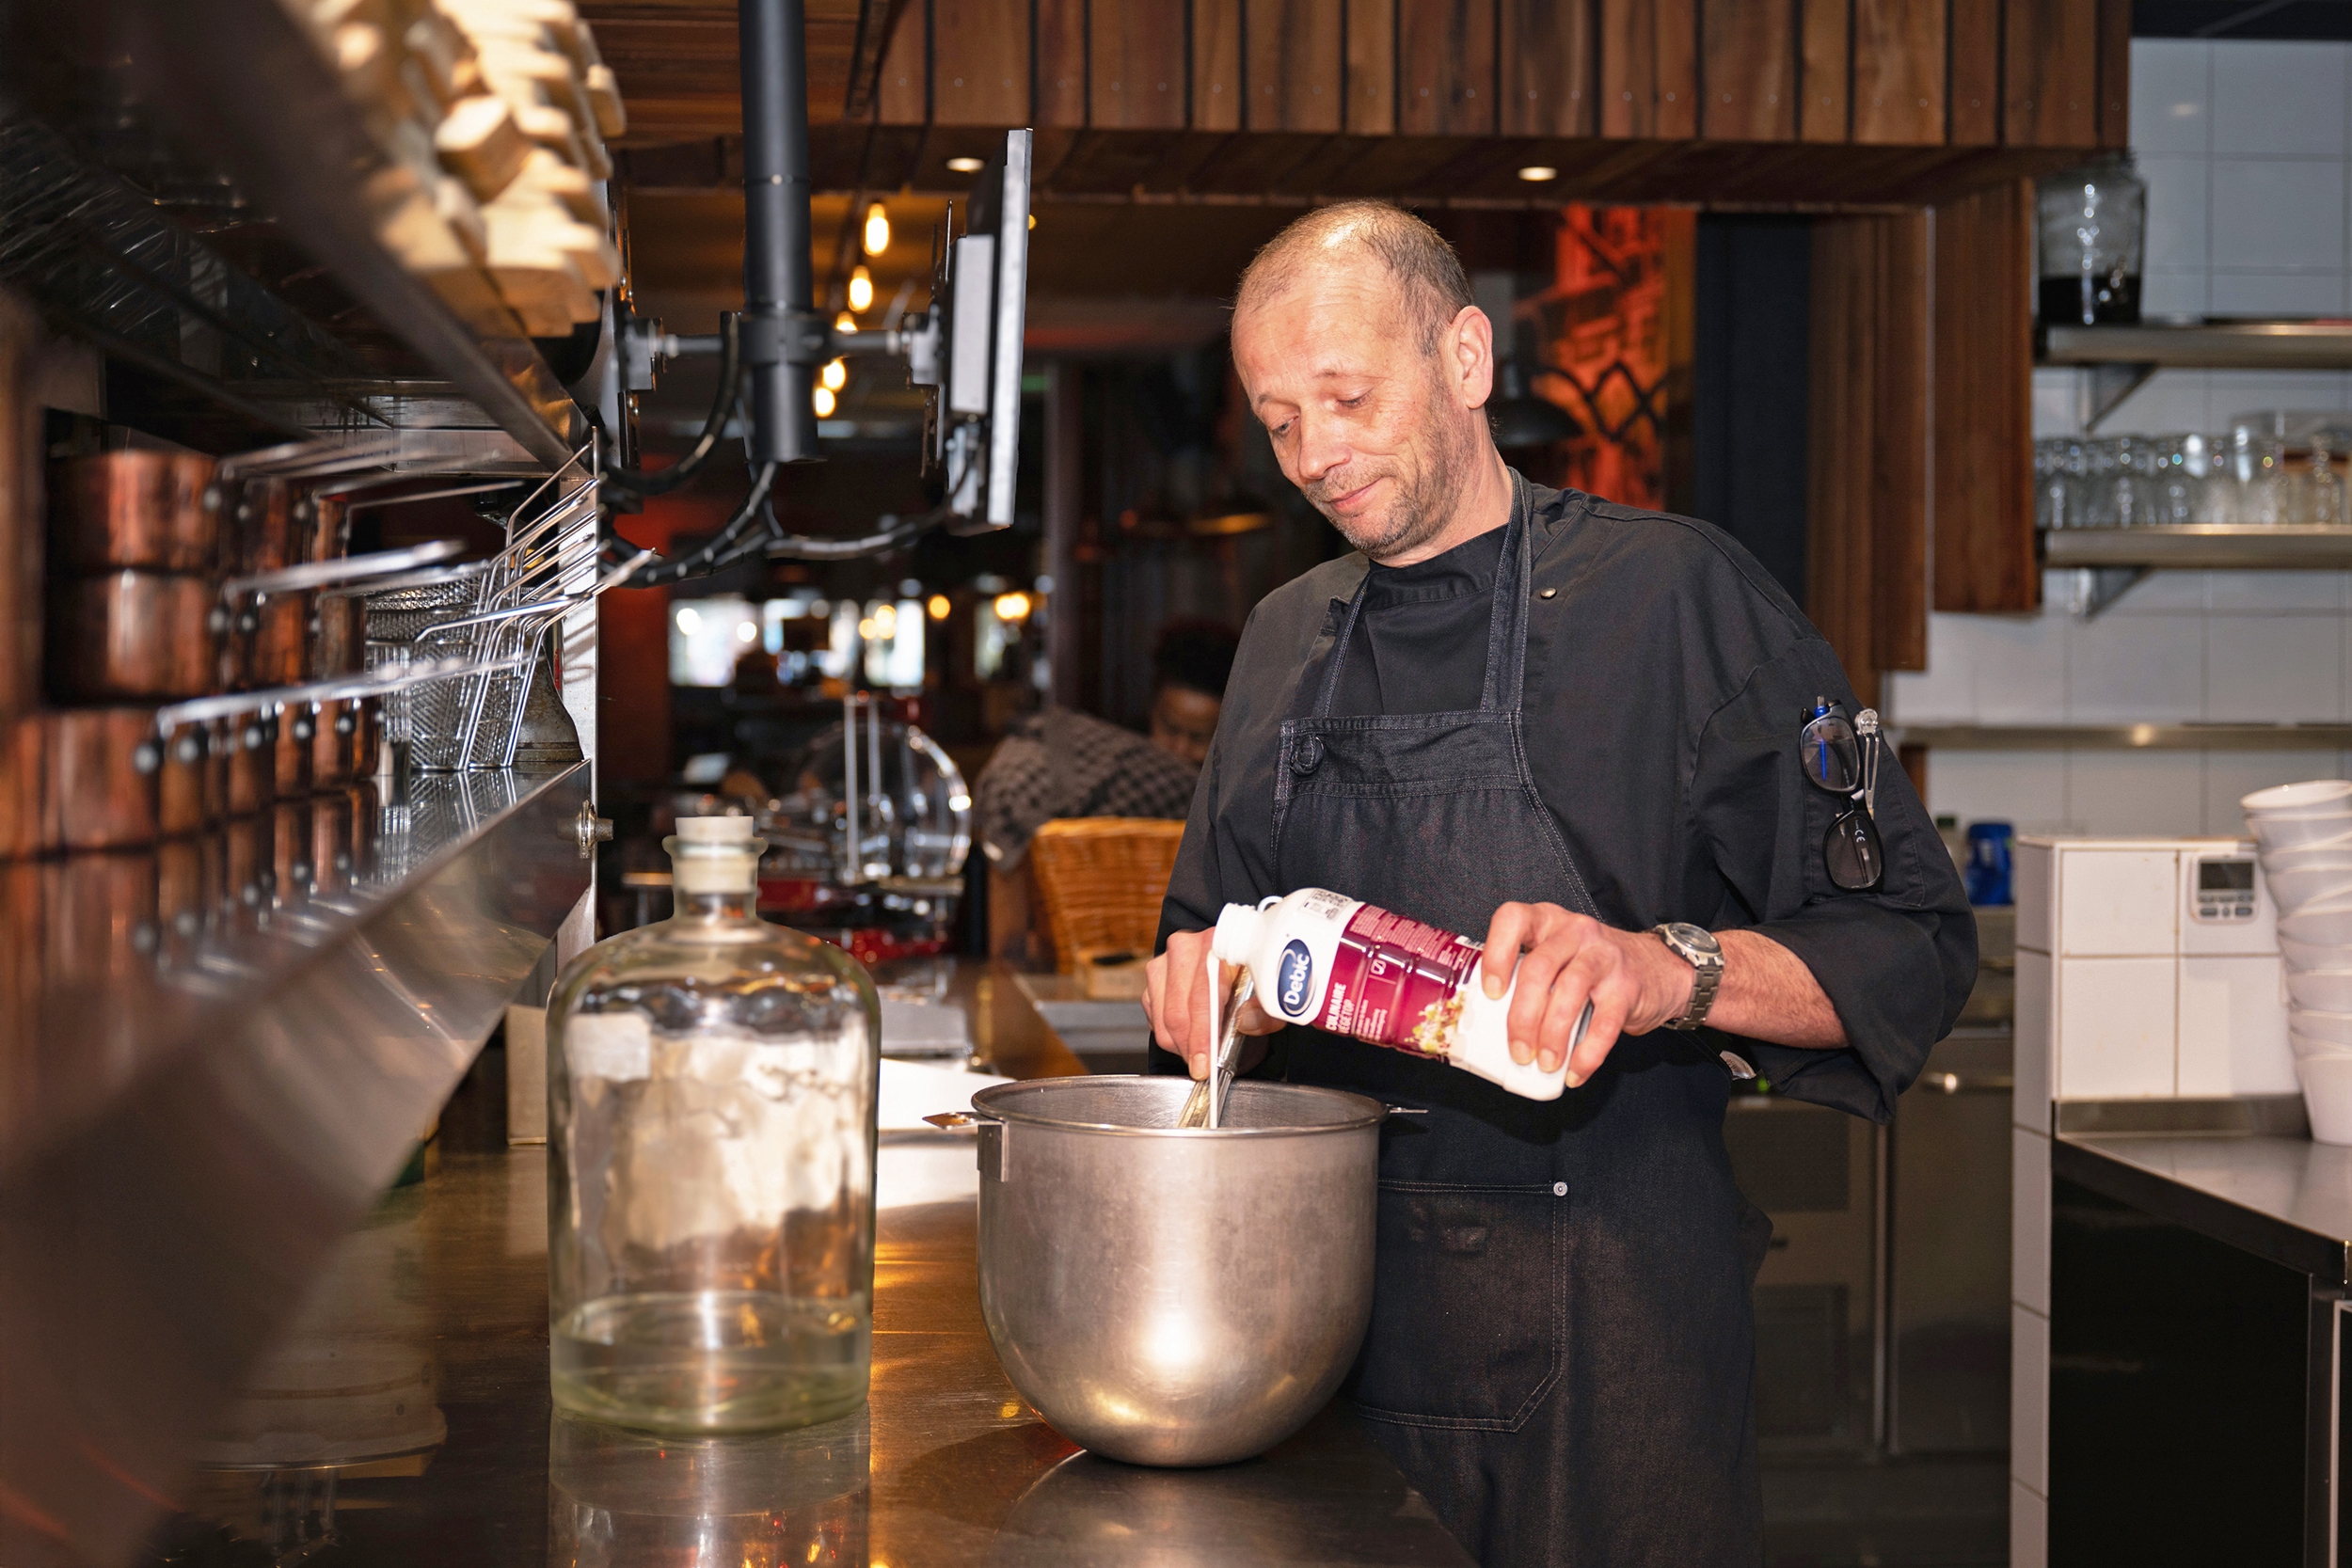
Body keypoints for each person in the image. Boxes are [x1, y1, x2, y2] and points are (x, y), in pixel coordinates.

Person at [1141, 202, 1974, 1566]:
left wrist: (1669, 970)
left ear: (1466, 357)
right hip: (1320, 1336)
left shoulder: (1679, 600)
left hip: (1614, 1342)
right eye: (1278, 417)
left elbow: (1912, 945)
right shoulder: (1282, 638)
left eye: (1347, 396)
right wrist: (1199, 984)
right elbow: (1204, 933)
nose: (1315, 454)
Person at [976, 620, 1239, 962]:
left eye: (1199, 738)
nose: (1178, 749)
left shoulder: (1221, 807)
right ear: (1150, 712)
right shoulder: (1123, 772)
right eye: (1170, 728)